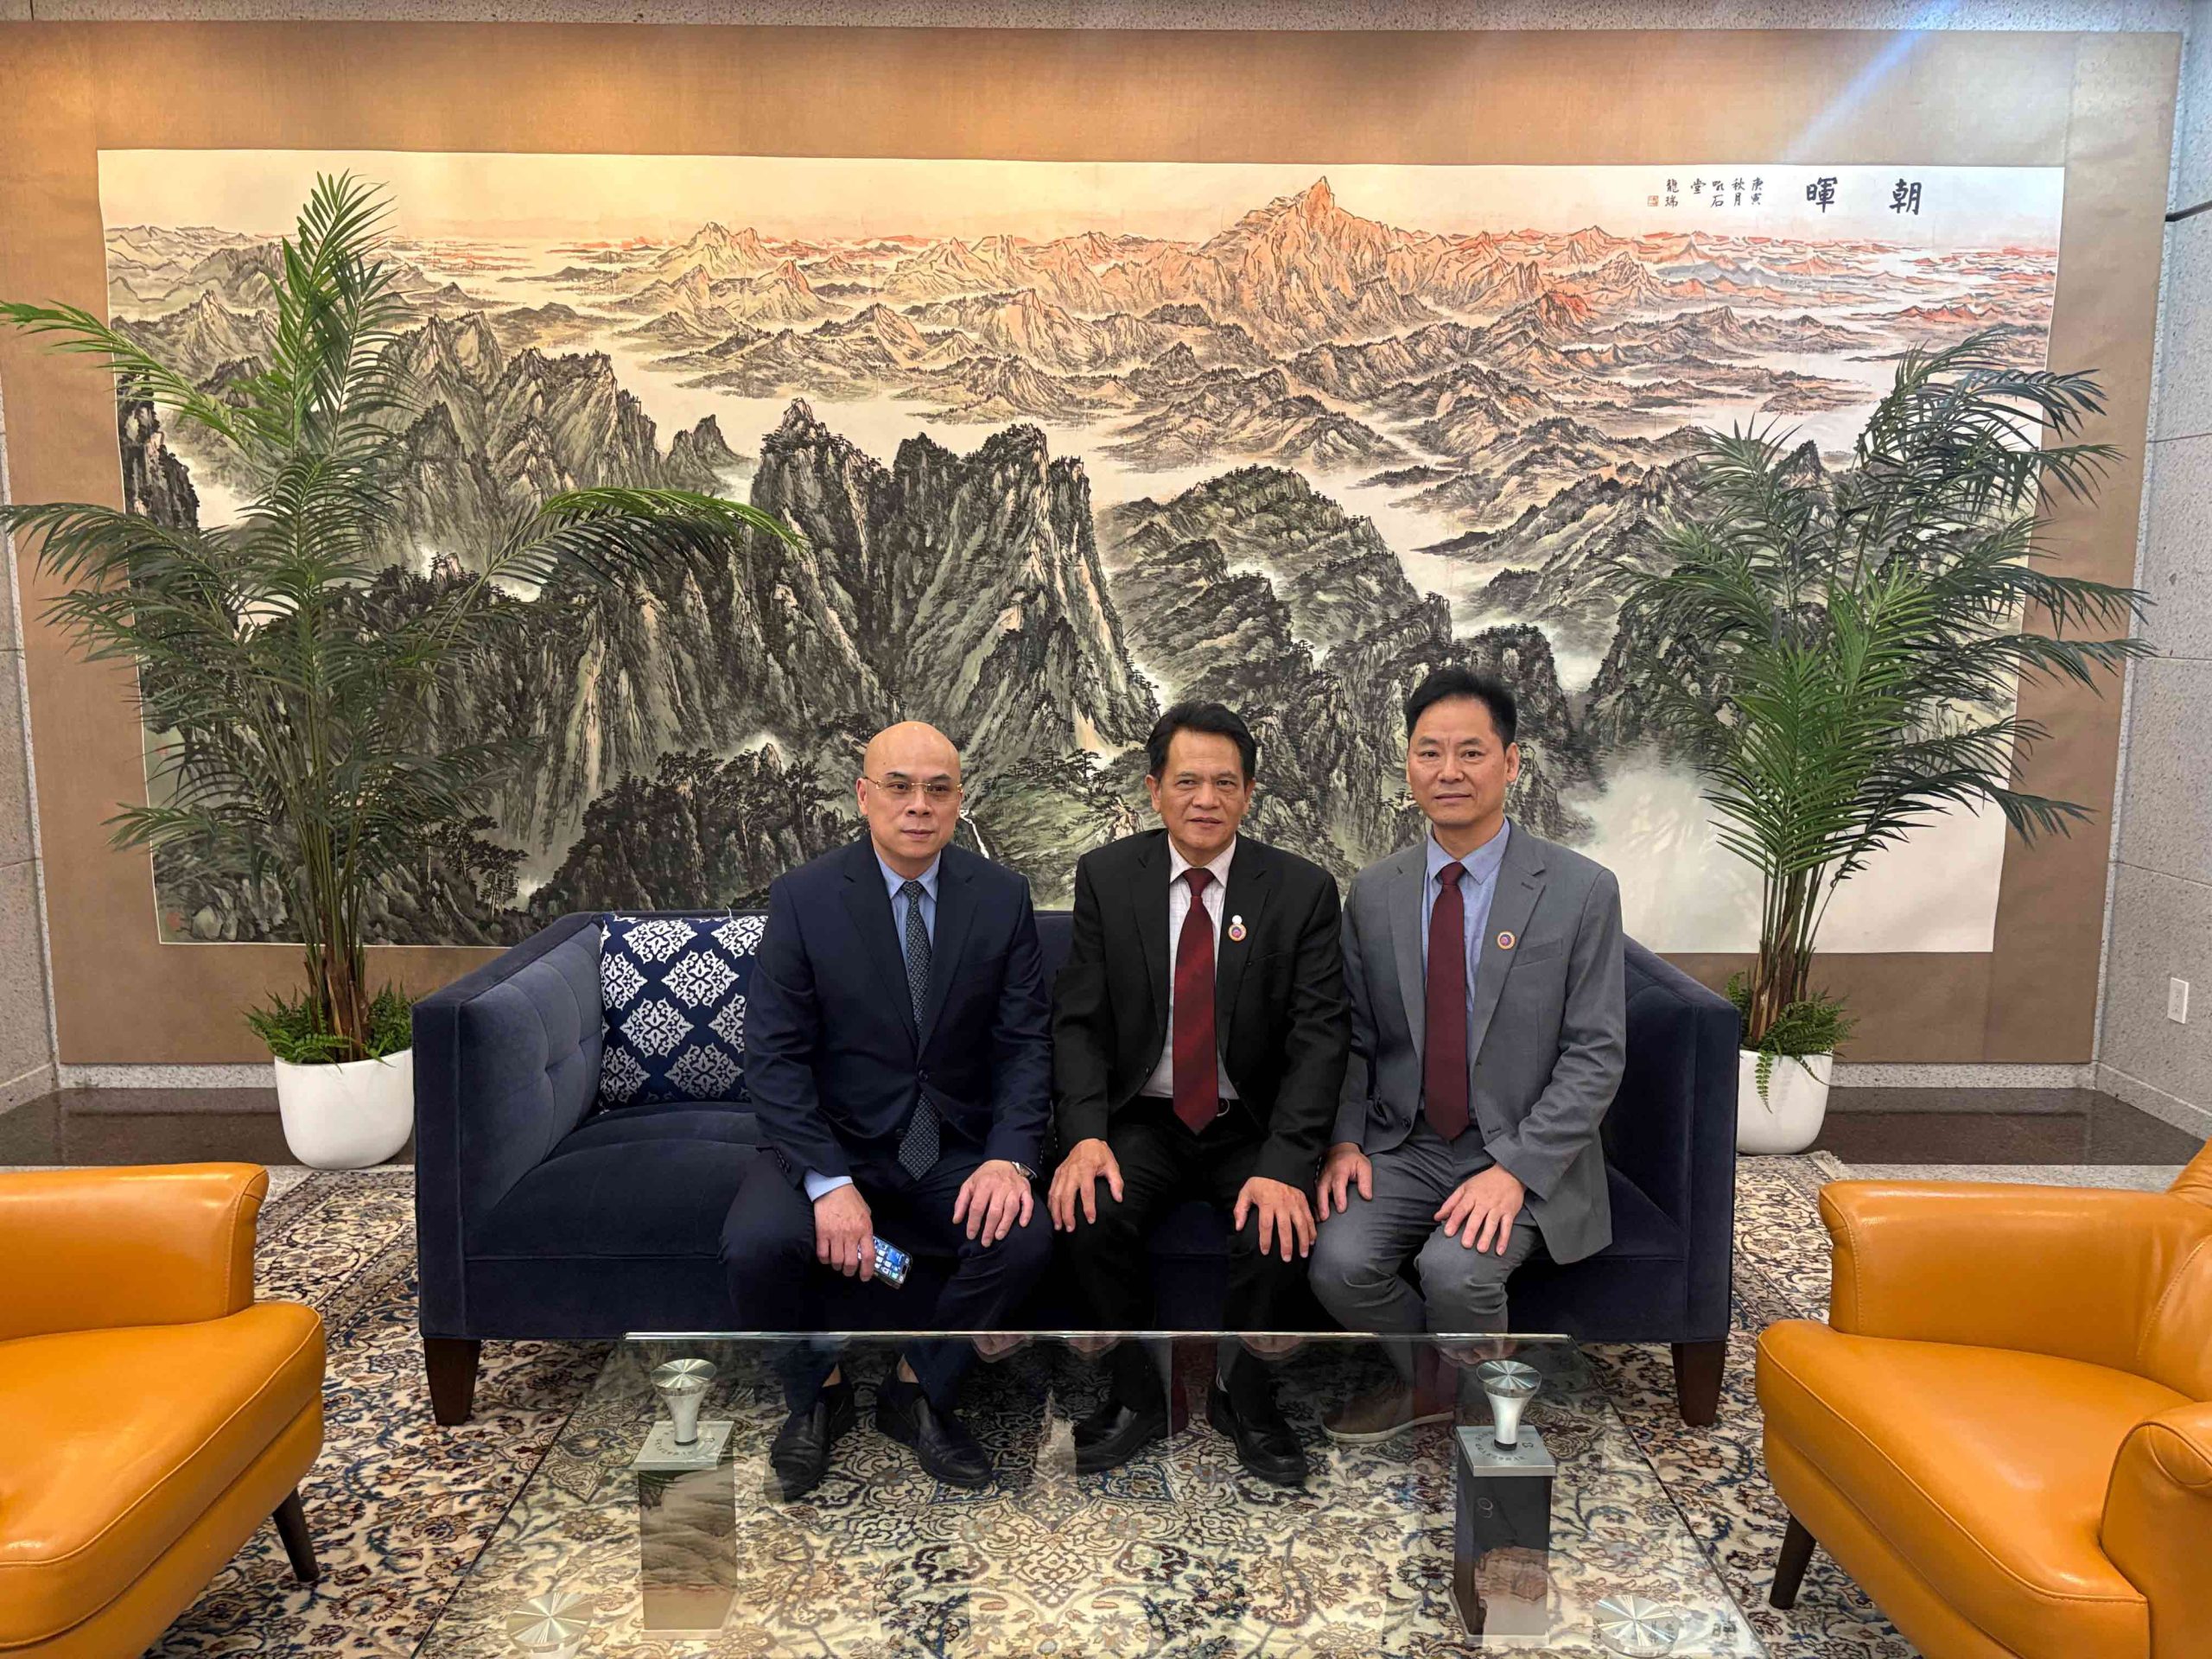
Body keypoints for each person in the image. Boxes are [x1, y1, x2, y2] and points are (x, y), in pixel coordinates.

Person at [721, 721, 1052, 1497]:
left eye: (938, 789)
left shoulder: (1001, 898)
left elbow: (1025, 1046)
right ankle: (817, 1393)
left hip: (950, 1144)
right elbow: (774, 1058)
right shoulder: (804, 899)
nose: (918, 805)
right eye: (899, 787)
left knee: (1023, 1237)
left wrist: (1010, 1158)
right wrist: (828, 1183)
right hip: (832, 1142)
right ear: (864, 796)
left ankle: (918, 1387)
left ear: (959, 800)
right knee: (757, 1245)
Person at [1309, 668, 1624, 1441]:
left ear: (1511, 763)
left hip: (1521, 1143)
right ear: (1409, 765)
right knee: (1337, 1264)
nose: (1449, 772)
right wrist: (1345, 1140)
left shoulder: (1581, 889)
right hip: (1406, 1141)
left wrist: (1515, 1170)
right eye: (1430, 753)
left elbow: (1595, 1053)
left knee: (1455, 1272)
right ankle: (1438, 1384)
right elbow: (1354, 1038)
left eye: (1471, 753)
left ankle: (1485, 1424)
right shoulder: (1375, 892)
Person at [1050, 702, 1349, 1486]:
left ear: (1249, 793)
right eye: (1187, 782)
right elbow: (1078, 1024)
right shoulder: (1108, 878)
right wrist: (1084, 1137)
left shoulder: (1301, 891)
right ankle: (1136, 1395)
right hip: (1143, 1115)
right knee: (1090, 1207)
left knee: (1277, 1223)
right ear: (1155, 790)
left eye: (1225, 782)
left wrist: (1288, 1163)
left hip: (1247, 1118)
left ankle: (1242, 1396)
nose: (1205, 799)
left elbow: (1320, 1040)